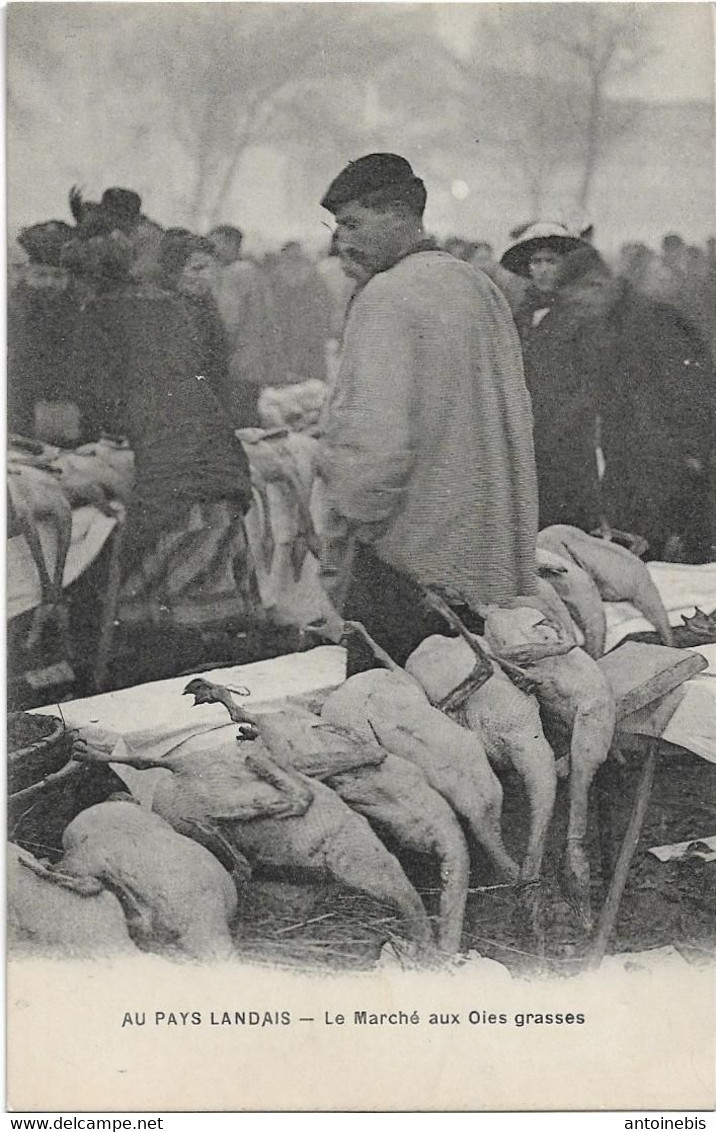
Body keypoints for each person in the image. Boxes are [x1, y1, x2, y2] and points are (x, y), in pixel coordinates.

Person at [317, 153, 539, 664]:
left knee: (399, 726)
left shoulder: (386, 297)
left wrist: (352, 525)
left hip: (407, 566)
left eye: (353, 223)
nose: (342, 241)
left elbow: (372, 446)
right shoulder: (475, 285)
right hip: (487, 563)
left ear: (398, 213)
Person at [69, 232, 259, 633]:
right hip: (213, 463)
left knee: (167, 587)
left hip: (184, 472)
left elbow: (102, 396)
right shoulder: (169, 312)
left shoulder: (108, 317)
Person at [557, 246, 715, 562]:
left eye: (578, 302)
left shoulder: (655, 322)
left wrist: (689, 461)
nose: (576, 312)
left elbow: (694, 400)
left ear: (597, 286)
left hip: (671, 477)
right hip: (631, 473)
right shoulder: (605, 324)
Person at [501, 226, 599, 531]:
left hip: (567, 441)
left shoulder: (582, 315)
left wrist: (559, 420)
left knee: (566, 525)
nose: (542, 270)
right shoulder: (519, 315)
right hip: (525, 437)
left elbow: (592, 381)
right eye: (536, 262)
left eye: (551, 262)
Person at [207, 224, 284, 425]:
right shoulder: (252, 270)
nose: (211, 249)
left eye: (215, 243)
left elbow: (228, 321)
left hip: (238, 362)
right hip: (253, 361)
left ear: (230, 243)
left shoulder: (235, 273)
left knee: (237, 422)